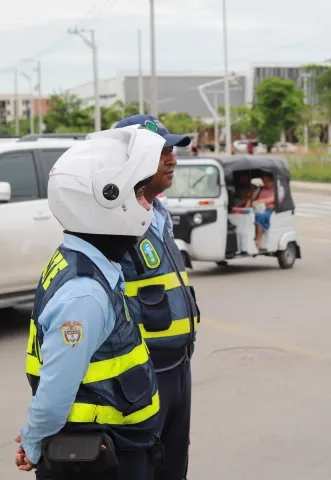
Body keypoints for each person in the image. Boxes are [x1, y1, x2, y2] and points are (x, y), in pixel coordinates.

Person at [16, 125, 166, 479]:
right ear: (108, 199)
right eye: (141, 194)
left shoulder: (90, 262)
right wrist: (34, 444)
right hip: (97, 458)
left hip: (114, 444)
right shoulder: (84, 292)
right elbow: (55, 393)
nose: (147, 205)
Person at [112, 114, 200, 480]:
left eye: (172, 149)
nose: (172, 158)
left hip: (179, 367)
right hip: (144, 376)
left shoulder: (160, 212)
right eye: (160, 151)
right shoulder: (115, 222)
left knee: (174, 468)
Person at [251, 173, 282, 249]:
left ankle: (258, 240)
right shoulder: (261, 188)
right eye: (263, 181)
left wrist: (260, 201)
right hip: (258, 208)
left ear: (272, 182)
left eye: (266, 181)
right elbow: (254, 197)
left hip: (270, 210)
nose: (265, 183)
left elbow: (273, 199)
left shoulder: (277, 190)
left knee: (260, 216)